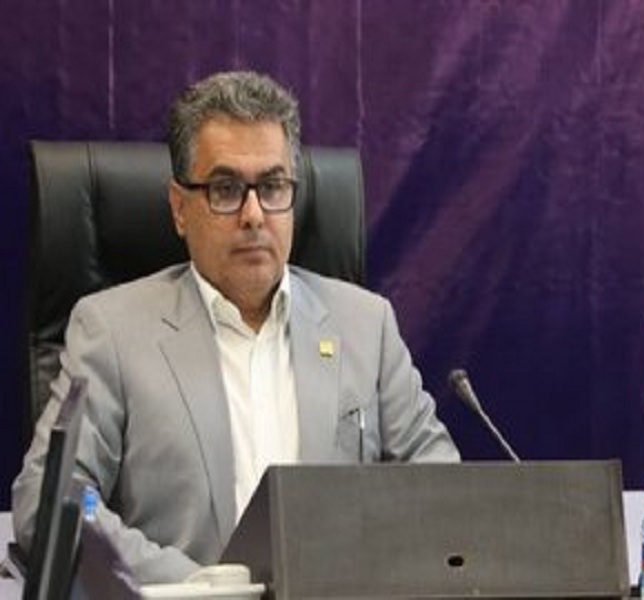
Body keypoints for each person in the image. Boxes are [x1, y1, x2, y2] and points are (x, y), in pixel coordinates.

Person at [12, 70, 460, 585]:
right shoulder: (111, 331)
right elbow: (54, 500)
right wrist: (199, 586)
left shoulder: (365, 324)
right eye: (226, 189)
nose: (253, 214)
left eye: (272, 187)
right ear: (180, 209)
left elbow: (443, 491)